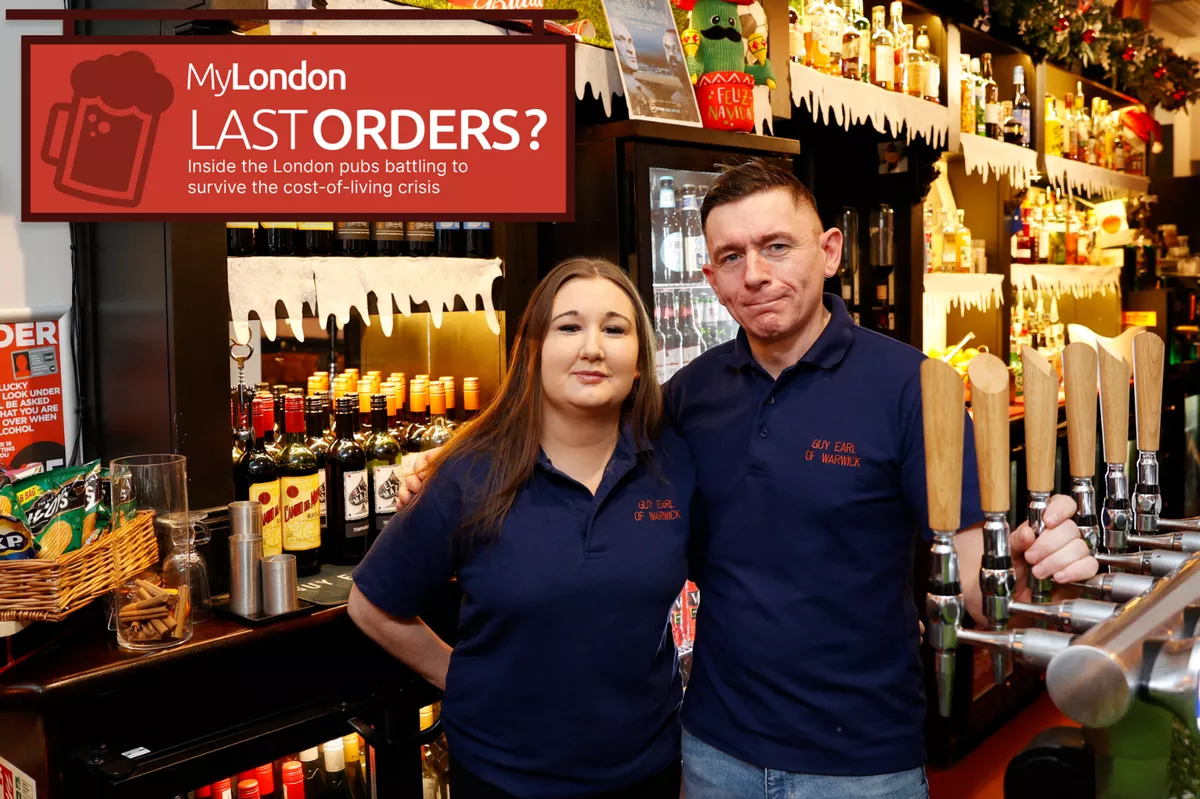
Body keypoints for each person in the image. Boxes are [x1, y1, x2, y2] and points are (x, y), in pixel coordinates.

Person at [399, 163, 1098, 799]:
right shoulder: (685, 398)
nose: (755, 273)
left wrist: (1040, 569)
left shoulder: (912, 387)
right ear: (711, 278)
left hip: (861, 763)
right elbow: (570, 443)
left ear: (828, 250)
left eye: (776, 246)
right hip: (713, 751)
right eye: (732, 257)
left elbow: (980, 589)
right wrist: (448, 463)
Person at [348, 258, 696, 799]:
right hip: (503, 777)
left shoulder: (674, 463)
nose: (593, 347)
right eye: (569, 326)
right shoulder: (470, 474)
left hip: (647, 768)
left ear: (639, 361)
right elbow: (370, 604)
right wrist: (458, 677)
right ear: (532, 351)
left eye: (614, 328)